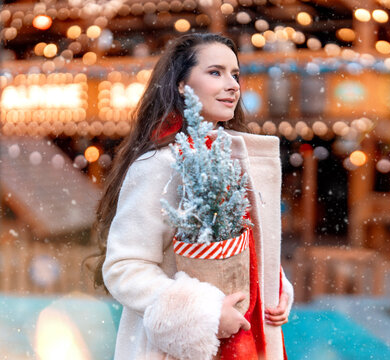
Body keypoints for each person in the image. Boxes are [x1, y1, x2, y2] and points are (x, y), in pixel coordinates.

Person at [93, 33, 294, 360]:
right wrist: (205, 313)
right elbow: (124, 267)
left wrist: (275, 286)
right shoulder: (159, 164)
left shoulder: (236, 160)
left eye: (235, 74)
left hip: (249, 340)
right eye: (216, 72)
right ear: (182, 86)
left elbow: (247, 246)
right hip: (175, 349)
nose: (232, 85)